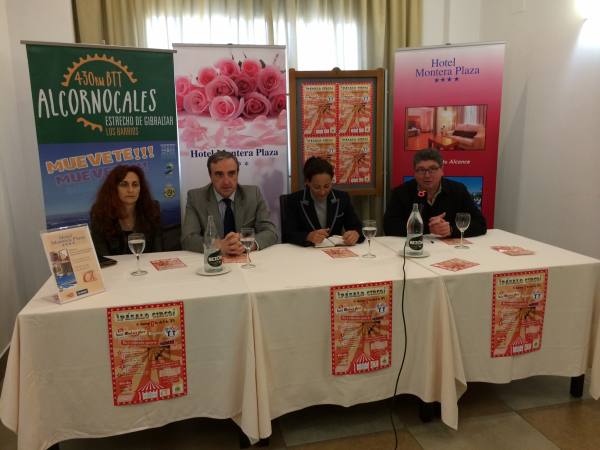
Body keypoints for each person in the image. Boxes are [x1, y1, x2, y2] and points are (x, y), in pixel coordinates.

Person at [181, 150, 278, 255]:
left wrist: (246, 244)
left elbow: (270, 232)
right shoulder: (196, 198)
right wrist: (218, 245)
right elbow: (188, 239)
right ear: (210, 176)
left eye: (231, 173)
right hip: (213, 261)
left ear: (237, 173)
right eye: (219, 174)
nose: (226, 182)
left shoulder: (253, 194)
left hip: (246, 259)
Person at [383, 148, 486, 237]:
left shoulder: (458, 190)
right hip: (414, 246)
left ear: (442, 170)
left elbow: (480, 224)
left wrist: (450, 230)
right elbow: (389, 226)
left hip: (449, 249)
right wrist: (428, 229)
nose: (427, 175)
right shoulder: (400, 192)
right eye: (421, 170)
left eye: (433, 169)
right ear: (414, 173)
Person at [282, 156, 364, 247]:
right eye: (317, 187)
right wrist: (308, 236)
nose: (322, 192)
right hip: (307, 251)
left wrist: (355, 234)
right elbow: (287, 234)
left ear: (332, 181)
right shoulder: (294, 200)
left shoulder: (342, 198)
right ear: (307, 182)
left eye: (326, 186)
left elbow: (357, 228)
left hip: (335, 251)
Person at [90, 164, 162, 256]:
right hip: (114, 265)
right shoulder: (100, 213)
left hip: (146, 264)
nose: (131, 190)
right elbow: (102, 256)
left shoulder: (152, 209)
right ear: (113, 189)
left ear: (141, 189)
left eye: (135, 185)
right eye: (124, 185)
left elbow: (158, 251)